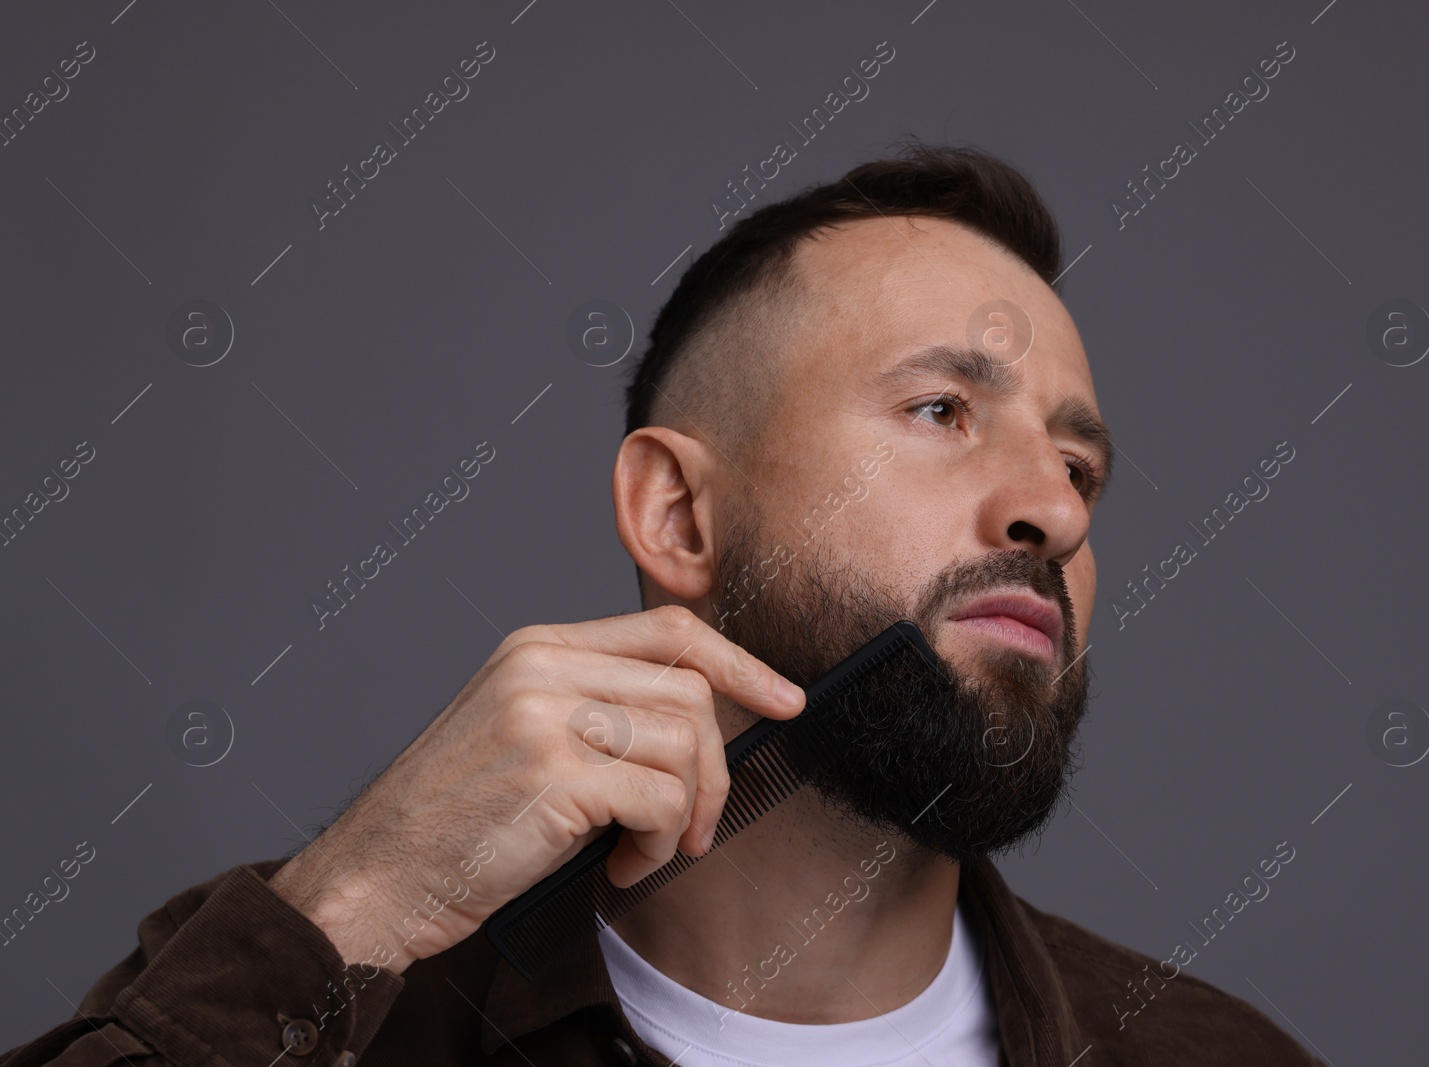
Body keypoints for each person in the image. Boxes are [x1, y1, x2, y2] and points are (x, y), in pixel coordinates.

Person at [2, 143, 1325, 1066]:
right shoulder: (333, 1013)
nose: (1055, 510)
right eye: (942, 412)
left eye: (1080, 462)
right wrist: (348, 913)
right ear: (681, 518)